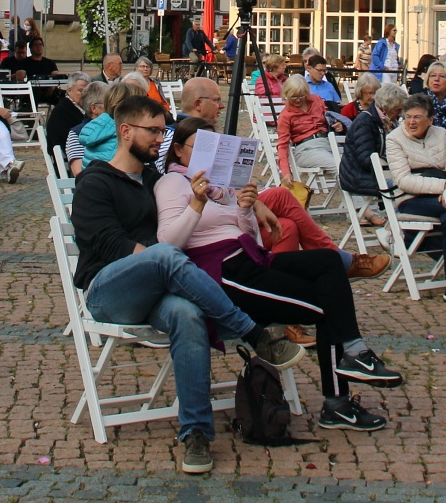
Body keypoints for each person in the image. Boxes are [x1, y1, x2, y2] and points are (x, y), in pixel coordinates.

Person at [69, 94, 306, 474]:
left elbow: (213, 186)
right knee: (165, 255)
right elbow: (109, 245)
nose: (161, 139)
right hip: (108, 290)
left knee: (188, 313)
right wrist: (163, 259)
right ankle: (254, 333)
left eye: (163, 131)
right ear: (125, 131)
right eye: (153, 131)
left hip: (159, 291)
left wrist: (254, 203)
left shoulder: (154, 180)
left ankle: (195, 433)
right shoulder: (95, 182)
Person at [156, 115, 402, 434]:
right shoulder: (172, 184)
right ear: (178, 150)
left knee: (328, 262)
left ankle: (353, 352)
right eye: (203, 147)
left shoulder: (223, 186)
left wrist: (244, 209)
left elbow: (250, 237)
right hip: (220, 273)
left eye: (218, 147)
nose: (213, 154)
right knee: (329, 303)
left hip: (251, 258)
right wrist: (197, 203)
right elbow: (168, 243)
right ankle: (338, 402)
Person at [383, 96, 446, 307]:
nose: (411, 122)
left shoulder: (441, 134)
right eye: (407, 117)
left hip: (445, 196)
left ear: (430, 119)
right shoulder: (394, 139)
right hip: (412, 198)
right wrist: (445, 188)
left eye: (418, 117)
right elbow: (404, 180)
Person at [339, 82, 398, 229]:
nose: (399, 114)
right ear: (387, 107)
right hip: (357, 175)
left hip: (377, 171)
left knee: (410, 183)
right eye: (397, 110)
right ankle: (395, 227)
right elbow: (366, 159)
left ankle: (397, 224)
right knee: (403, 187)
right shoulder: (365, 121)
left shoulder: (385, 120)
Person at [276, 74, 336, 184]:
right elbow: (282, 145)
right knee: (339, 167)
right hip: (306, 149)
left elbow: (329, 118)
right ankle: (356, 201)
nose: (298, 100)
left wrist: (336, 124)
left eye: (301, 96)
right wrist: (285, 172)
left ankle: (353, 199)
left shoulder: (316, 100)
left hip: (328, 142)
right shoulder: (285, 115)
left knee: (355, 164)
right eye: (293, 97)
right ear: (286, 95)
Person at [45, 73, 94, 161]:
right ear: (69, 90)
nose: (85, 95)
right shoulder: (62, 111)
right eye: (80, 91)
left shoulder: (82, 109)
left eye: (87, 92)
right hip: (71, 160)